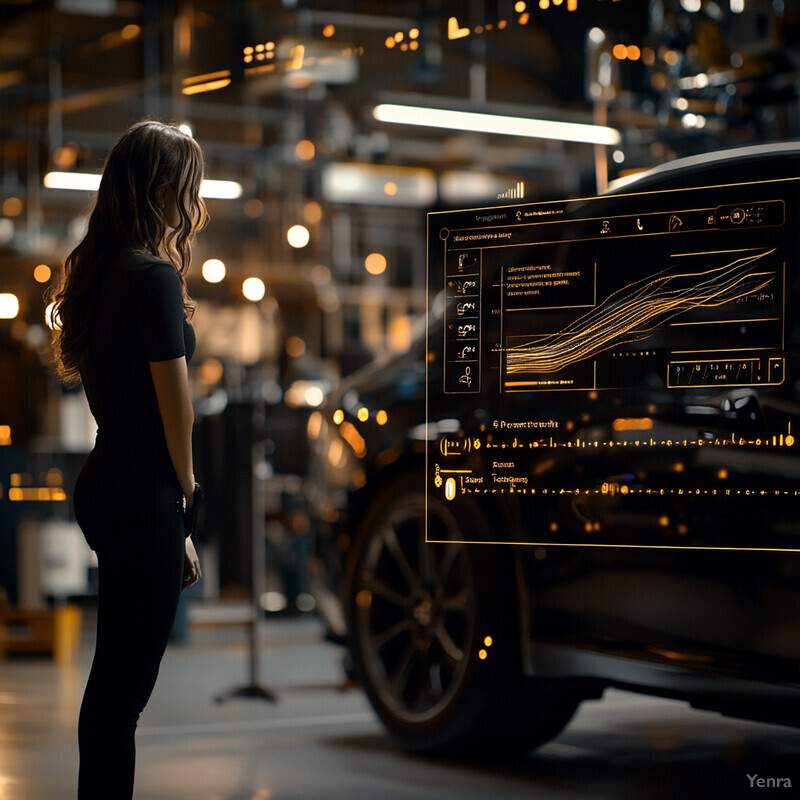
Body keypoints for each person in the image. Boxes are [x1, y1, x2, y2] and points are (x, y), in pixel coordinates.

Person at [48, 120, 207, 799]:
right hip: (143, 494)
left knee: (110, 688)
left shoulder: (98, 274)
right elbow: (177, 408)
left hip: (106, 482)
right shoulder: (153, 278)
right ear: (165, 191)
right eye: (190, 194)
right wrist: (187, 496)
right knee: (122, 700)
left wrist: (178, 527)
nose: (193, 210)